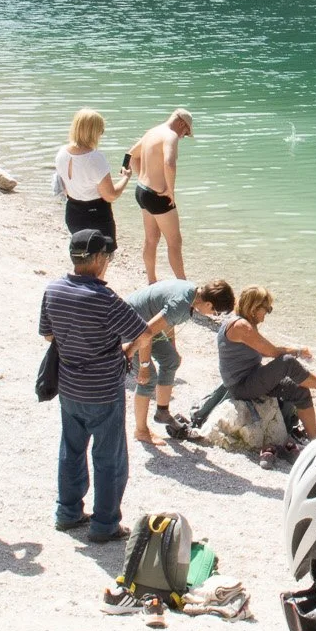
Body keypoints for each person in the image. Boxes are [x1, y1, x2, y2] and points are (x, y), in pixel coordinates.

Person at [39, 230, 155, 541]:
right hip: (103, 390)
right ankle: (104, 525)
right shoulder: (104, 299)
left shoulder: (54, 290)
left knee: (72, 449)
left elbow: (48, 335)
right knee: (109, 457)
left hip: (69, 386)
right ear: (99, 259)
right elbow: (143, 334)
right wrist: (126, 352)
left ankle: (68, 512)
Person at [208, 282, 316, 441]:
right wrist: (298, 351)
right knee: (287, 362)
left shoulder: (243, 323)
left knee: (300, 390)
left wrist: (296, 352)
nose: (266, 315)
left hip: (251, 378)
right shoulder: (241, 326)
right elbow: (272, 352)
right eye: (267, 310)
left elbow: (263, 350)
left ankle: (314, 441)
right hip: (241, 386)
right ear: (254, 308)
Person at [122, 278, 224, 444]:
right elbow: (145, 333)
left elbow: (166, 322)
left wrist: (173, 348)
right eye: (216, 312)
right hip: (128, 326)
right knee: (148, 380)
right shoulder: (181, 304)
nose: (214, 315)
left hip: (144, 324)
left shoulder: (191, 293)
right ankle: (141, 430)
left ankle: (162, 412)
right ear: (208, 304)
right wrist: (144, 366)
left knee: (171, 360)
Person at [127, 109, 194, 282]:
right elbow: (169, 163)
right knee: (175, 242)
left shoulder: (152, 132)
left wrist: (140, 175)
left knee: (151, 239)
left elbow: (131, 154)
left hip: (142, 190)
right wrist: (170, 190)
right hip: (158, 196)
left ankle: (151, 281)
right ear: (181, 123)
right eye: (185, 133)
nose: (182, 137)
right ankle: (183, 285)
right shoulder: (170, 135)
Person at [54, 109, 129, 246]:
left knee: (81, 254)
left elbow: (63, 187)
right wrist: (126, 178)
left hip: (72, 212)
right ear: (93, 132)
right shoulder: (94, 158)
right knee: (101, 258)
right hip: (96, 214)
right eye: (101, 130)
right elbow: (110, 195)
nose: (101, 134)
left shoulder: (61, 153)